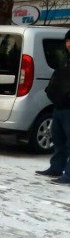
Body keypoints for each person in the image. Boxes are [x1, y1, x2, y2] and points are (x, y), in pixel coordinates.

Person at [36, 29, 70, 185]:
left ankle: (68, 175)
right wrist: (50, 91)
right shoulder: (65, 59)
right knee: (58, 139)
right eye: (67, 41)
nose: (68, 44)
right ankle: (56, 167)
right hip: (59, 106)